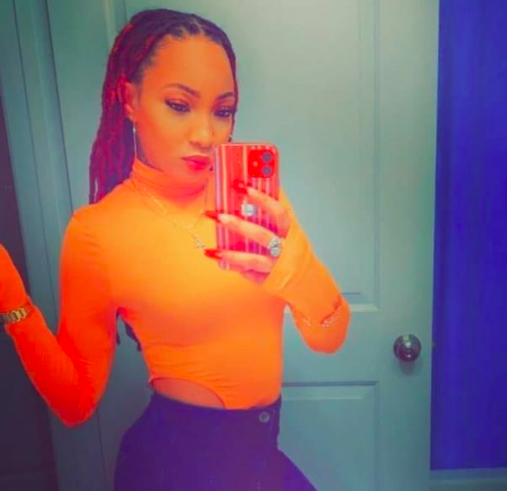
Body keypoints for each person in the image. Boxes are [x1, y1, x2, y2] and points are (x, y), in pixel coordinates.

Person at [0, 8, 351, 491]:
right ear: (130, 100)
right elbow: (75, 403)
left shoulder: (256, 202)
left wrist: (296, 271)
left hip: (260, 457)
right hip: (175, 466)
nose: (205, 135)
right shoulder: (98, 232)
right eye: (179, 104)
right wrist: (14, 304)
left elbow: (330, 336)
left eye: (222, 111)